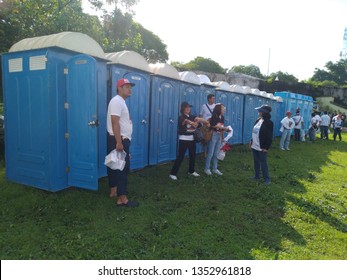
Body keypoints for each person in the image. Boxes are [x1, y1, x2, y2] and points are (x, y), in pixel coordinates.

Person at [107, 78, 139, 207]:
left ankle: (113, 191)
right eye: (126, 86)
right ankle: (122, 198)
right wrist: (119, 143)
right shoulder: (116, 101)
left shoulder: (120, 101)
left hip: (118, 139)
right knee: (123, 168)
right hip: (119, 139)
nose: (129, 89)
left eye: (130, 87)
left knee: (114, 165)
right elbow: (115, 122)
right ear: (119, 88)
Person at [169, 102, 209, 180]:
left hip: (192, 139)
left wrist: (201, 120)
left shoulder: (192, 116)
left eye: (189, 107)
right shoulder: (181, 117)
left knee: (192, 156)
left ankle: (191, 171)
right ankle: (172, 173)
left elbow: (202, 122)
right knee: (180, 157)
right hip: (184, 139)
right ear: (183, 108)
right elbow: (185, 121)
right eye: (186, 107)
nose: (188, 109)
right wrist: (192, 123)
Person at [249, 105, 273, 185]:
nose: (258, 112)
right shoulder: (258, 120)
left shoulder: (269, 123)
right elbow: (254, 132)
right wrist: (251, 141)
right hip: (254, 145)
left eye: (260, 111)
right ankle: (256, 176)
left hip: (262, 147)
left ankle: (267, 179)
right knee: (256, 161)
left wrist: (266, 147)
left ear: (263, 113)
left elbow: (269, 136)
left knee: (263, 163)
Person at [204, 104, 230, 176]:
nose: (224, 109)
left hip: (219, 136)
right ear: (218, 109)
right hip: (213, 135)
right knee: (210, 153)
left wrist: (222, 137)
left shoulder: (222, 117)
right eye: (222, 108)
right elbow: (211, 126)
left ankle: (215, 169)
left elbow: (221, 127)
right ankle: (207, 169)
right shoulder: (214, 116)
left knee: (216, 153)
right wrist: (218, 127)